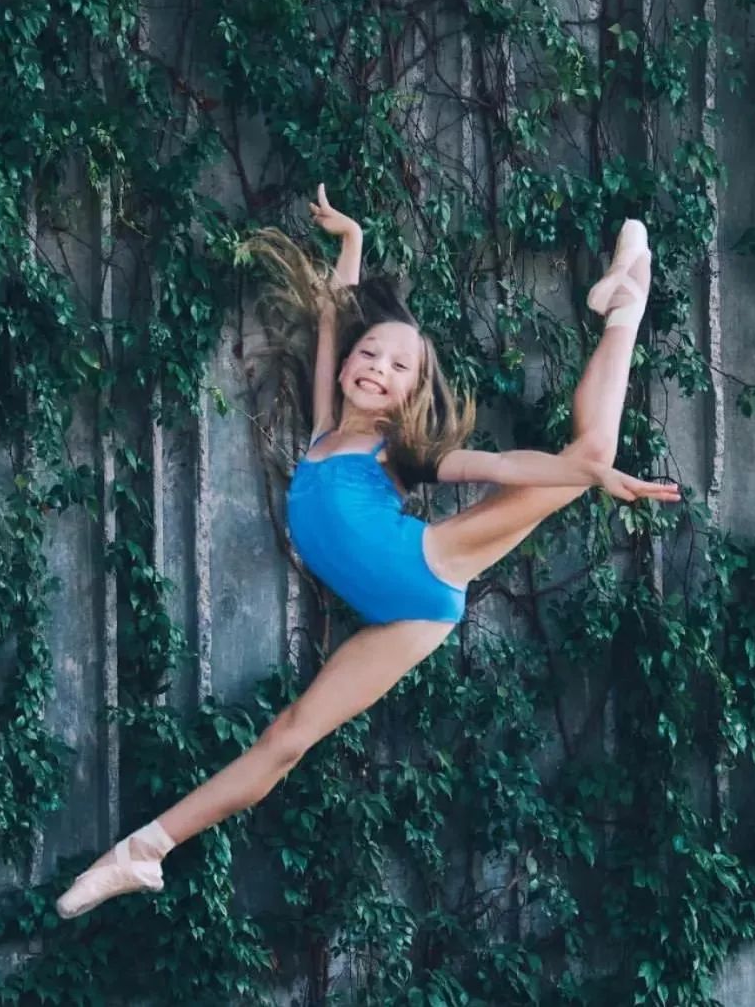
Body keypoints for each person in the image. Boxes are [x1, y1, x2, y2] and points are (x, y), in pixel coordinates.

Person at [56, 184, 678, 919]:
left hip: (428, 563)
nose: (377, 366)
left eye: (398, 367)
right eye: (370, 352)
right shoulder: (323, 429)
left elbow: (501, 466)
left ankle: (626, 299)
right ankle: (144, 850)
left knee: (588, 454)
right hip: (412, 620)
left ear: (413, 392)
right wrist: (349, 241)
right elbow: (332, 311)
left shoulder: (399, 455)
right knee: (287, 738)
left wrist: (591, 479)